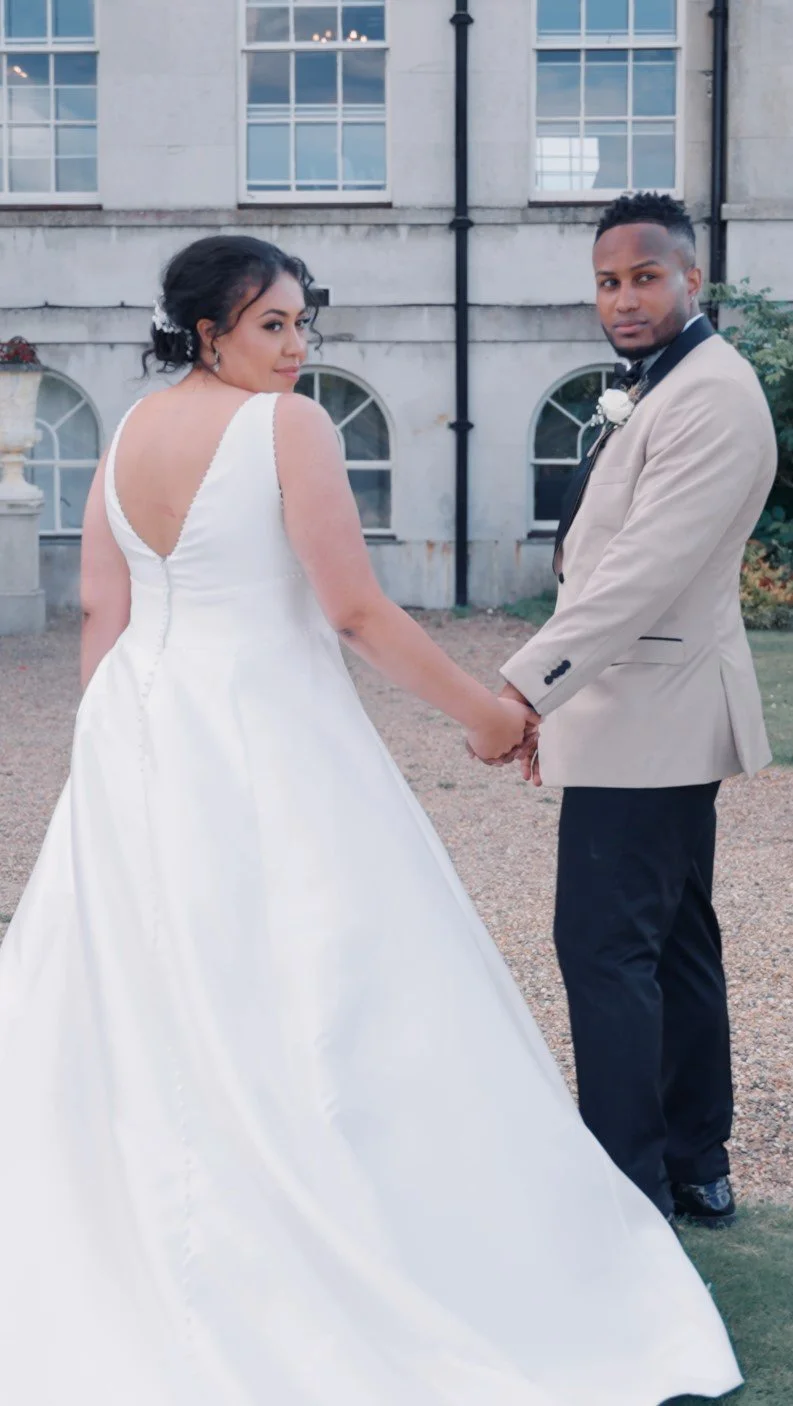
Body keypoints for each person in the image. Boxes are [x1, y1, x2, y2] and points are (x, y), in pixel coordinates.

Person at [0, 233, 742, 1405]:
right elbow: (350, 607)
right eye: (272, 327)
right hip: (263, 726)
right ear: (210, 331)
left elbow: (105, 607)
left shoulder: (130, 429)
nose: (297, 349)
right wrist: (486, 717)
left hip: (138, 731)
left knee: (158, 974)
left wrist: (112, 747)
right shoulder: (288, 429)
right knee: (322, 968)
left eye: (304, 325)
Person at [495, 193, 777, 1229]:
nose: (623, 298)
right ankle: (694, 1162)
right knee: (669, 945)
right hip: (640, 709)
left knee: (604, 948)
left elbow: (640, 574)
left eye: (645, 276)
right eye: (608, 281)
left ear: (691, 279)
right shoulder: (663, 387)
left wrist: (523, 686)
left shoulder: (711, 395)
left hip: (649, 715)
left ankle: (628, 1189)